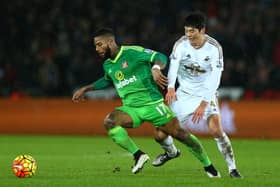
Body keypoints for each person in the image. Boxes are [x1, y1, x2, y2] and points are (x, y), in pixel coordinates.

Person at [72, 27, 220, 177]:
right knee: (110, 121)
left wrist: (156, 68)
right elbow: (107, 80)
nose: (97, 49)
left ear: (110, 42)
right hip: (131, 108)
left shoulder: (133, 52)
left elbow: (161, 57)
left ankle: (209, 166)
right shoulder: (108, 64)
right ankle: (138, 155)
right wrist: (86, 89)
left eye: (99, 44)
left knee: (177, 135)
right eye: (95, 46)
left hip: (153, 105)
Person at [152, 12, 243, 178]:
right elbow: (173, 66)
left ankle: (232, 169)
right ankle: (171, 152)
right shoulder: (181, 44)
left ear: (203, 30)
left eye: (192, 31)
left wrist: (203, 103)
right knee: (160, 133)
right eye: (186, 31)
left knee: (216, 130)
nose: (188, 35)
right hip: (183, 94)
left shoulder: (215, 48)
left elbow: (215, 79)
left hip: (206, 93)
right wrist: (171, 87)